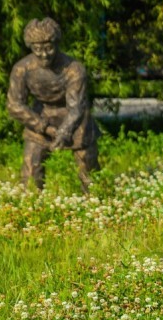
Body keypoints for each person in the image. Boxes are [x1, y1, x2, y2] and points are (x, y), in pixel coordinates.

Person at [6, 17, 100, 193]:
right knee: (32, 168)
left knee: (88, 167)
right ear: (30, 47)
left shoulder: (73, 68)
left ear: (57, 44)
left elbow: (76, 106)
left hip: (75, 119)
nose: (44, 54)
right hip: (40, 116)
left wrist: (65, 131)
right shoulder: (22, 69)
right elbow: (14, 104)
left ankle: (94, 200)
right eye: (38, 49)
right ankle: (31, 203)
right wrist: (43, 127)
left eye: (49, 48)